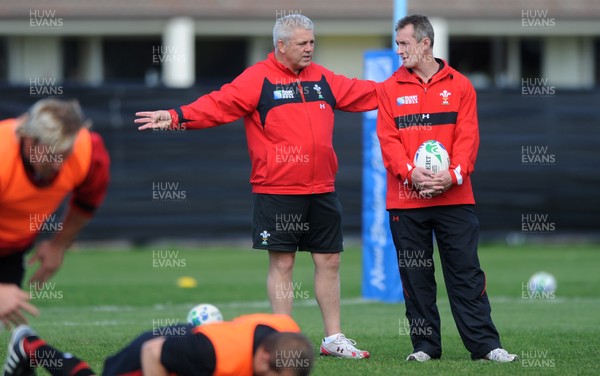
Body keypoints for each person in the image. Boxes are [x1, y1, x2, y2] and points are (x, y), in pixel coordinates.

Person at [135, 14, 376, 359]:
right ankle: (283, 338)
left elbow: (365, 92)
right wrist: (175, 116)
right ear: (281, 45)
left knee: (330, 260)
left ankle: (333, 338)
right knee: (283, 264)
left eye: (312, 42)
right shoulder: (257, 79)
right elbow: (217, 105)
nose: (310, 48)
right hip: (277, 189)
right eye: (303, 43)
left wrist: (408, 88)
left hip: (322, 187)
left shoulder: (322, 78)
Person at [376, 14, 518, 362]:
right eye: (397, 44)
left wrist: (451, 176)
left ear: (425, 44)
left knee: (467, 274)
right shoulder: (388, 89)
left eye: (404, 43)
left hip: (455, 197)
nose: (398, 51)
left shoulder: (461, 86)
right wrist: (412, 175)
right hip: (406, 202)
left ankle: (485, 346)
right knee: (416, 278)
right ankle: (425, 348)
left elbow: (468, 138)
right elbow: (388, 142)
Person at [0, 98, 110, 290]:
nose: (58, 165)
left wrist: (58, 245)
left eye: (64, 154)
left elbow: (86, 203)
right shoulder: (3, 155)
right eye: (51, 155)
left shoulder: (87, 150)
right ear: (29, 139)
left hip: (13, 249)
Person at [2, 313, 314, 376]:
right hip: (153, 353)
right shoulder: (210, 356)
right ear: (263, 355)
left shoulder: (286, 335)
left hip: (189, 342)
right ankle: (29, 345)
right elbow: (153, 352)